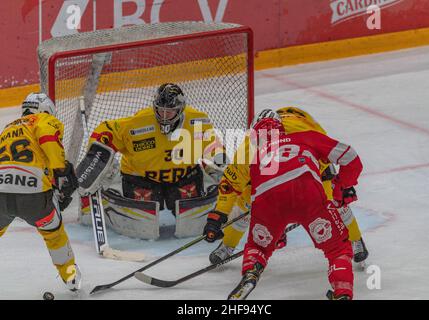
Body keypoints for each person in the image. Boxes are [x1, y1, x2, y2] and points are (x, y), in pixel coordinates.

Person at [203, 109, 363, 300]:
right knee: (337, 245)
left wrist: (218, 215)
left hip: (267, 199)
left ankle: (250, 272)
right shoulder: (306, 134)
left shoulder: (250, 148)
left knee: (257, 244)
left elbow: (230, 185)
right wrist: (341, 187)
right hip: (308, 190)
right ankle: (343, 288)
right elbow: (349, 157)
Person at [78, 83, 226, 238]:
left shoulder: (196, 120)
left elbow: (210, 141)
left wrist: (218, 156)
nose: (163, 116)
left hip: (183, 177)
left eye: (169, 112)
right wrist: (95, 157)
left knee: (193, 222)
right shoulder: (139, 122)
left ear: (181, 109)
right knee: (142, 226)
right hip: (142, 179)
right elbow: (106, 129)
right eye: (160, 110)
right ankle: (107, 194)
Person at [0, 93, 81, 292]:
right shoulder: (44, 119)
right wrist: (61, 170)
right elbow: (47, 136)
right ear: (46, 110)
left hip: (0, 192)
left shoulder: (7, 129)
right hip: (34, 197)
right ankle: (71, 279)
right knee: (54, 233)